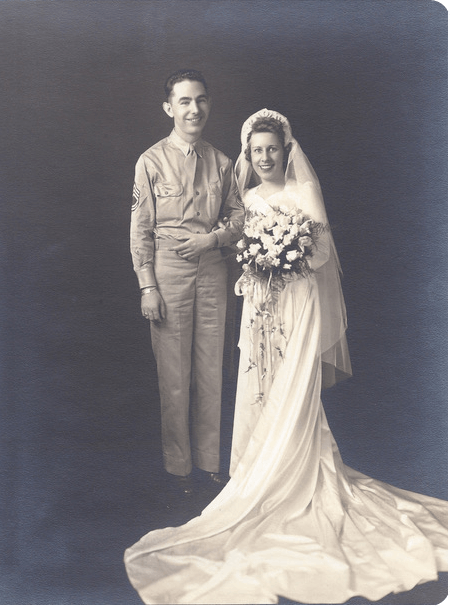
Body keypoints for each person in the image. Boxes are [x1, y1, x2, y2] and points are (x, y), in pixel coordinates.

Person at [125, 109, 447, 604]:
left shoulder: (304, 193)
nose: (265, 157)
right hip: (259, 306)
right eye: (257, 151)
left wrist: (285, 253)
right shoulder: (249, 197)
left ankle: (292, 472)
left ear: (286, 148)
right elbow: (239, 248)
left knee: (293, 389)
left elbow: (320, 255)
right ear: (248, 157)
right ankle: (256, 471)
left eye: (272, 148)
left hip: (298, 304)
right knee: (258, 387)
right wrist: (258, 259)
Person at [129, 69, 244, 495]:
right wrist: (148, 286)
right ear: (169, 108)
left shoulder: (223, 162)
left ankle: (211, 462)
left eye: (201, 100)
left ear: (208, 104)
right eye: (184, 101)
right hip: (169, 273)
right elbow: (139, 229)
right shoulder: (151, 161)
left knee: (212, 369)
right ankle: (178, 469)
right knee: (174, 375)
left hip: (213, 270)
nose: (194, 109)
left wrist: (212, 239)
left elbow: (238, 218)